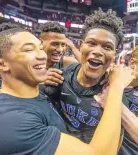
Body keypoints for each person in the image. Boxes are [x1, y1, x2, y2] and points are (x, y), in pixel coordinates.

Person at [0, 27, 132, 155]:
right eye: (28, 50)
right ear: (1, 64)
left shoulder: (37, 93)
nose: (41, 55)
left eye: (40, 47)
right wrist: (117, 87)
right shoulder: (11, 122)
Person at [40, 8, 126, 144]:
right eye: (91, 43)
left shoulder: (114, 94)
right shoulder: (61, 76)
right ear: (81, 46)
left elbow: (115, 142)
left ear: (114, 54)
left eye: (107, 47)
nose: (97, 51)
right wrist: (38, 82)